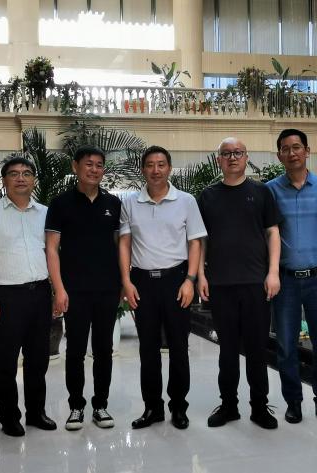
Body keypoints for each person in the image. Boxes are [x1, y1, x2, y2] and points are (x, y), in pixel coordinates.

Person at [119, 146, 207, 430]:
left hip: (176, 280)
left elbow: (195, 242)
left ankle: (178, 407)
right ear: (142, 169)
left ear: (169, 168)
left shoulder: (186, 201)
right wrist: (126, 281)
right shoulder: (130, 202)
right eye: (150, 165)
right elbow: (125, 243)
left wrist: (190, 280)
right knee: (148, 349)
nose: (155, 170)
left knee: (179, 346)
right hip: (142, 282)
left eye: (161, 164)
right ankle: (152, 408)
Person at [198, 137, 283, 430]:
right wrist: (201, 275)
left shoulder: (261, 192)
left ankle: (259, 406)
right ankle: (229, 406)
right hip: (221, 285)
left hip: (256, 284)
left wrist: (273, 272)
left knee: (257, 350)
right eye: (226, 153)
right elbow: (200, 240)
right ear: (218, 160)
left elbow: (272, 233)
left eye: (238, 153)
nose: (232, 157)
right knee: (227, 350)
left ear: (246, 157)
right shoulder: (207, 196)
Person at [0, 157, 57, 437]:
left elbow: (53, 254)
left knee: (38, 358)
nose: (21, 178)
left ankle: (36, 412)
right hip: (7, 295)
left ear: (34, 180)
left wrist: (57, 291)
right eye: (14, 173)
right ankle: (9, 417)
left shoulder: (46, 213)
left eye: (27, 173)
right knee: (6, 360)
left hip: (40, 293)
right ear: (4, 180)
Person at [45, 146, 122, 431]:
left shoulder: (113, 203)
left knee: (104, 349)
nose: (94, 169)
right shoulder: (60, 203)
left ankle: (100, 405)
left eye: (99, 165)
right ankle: (76, 406)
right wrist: (59, 288)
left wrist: (123, 283)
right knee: (75, 350)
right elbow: (52, 249)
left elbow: (121, 247)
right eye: (88, 164)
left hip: (107, 289)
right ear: (75, 166)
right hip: (74, 290)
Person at [267, 129, 317, 425]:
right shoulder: (270, 190)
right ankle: (293, 402)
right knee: (286, 346)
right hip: (285, 280)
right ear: (279, 155)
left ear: (307, 151)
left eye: (297, 147)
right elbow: (269, 233)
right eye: (286, 149)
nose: (292, 153)